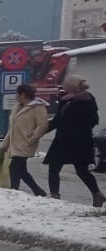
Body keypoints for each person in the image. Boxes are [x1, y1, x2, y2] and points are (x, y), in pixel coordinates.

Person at [43, 75, 104, 207]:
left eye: (65, 83)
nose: (63, 85)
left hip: (79, 142)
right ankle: (54, 196)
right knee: (53, 167)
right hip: (62, 140)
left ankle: (97, 194)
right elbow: (57, 120)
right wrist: (41, 131)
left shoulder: (87, 100)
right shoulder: (65, 100)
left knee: (81, 170)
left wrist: (75, 128)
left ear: (72, 86)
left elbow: (93, 120)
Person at [0, 83, 49, 196]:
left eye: (17, 93)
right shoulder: (18, 106)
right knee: (22, 171)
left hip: (26, 142)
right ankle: (38, 191)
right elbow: (13, 128)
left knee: (13, 168)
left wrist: (33, 137)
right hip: (15, 143)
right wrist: (5, 144)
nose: (16, 96)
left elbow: (42, 125)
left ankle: (13, 192)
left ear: (23, 95)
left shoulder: (37, 107)